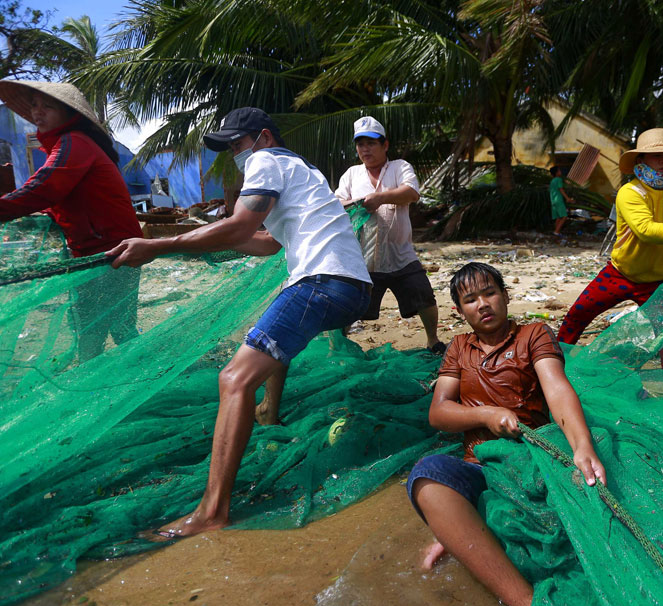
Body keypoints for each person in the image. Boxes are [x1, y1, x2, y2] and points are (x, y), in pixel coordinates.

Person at [107, 107, 372, 537]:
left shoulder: (267, 161)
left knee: (232, 379)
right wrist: (205, 245)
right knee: (275, 340)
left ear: (263, 137)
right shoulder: (304, 171)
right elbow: (267, 242)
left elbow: (240, 224)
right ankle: (268, 413)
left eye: (236, 145)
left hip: (321, 282)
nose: (234, 154)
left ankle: (212, 512)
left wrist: (162, 246)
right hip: (351, 288)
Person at [407, 262, 606, 606]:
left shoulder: (533, 335)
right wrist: (486, 414)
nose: (482, 304)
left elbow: (557, 390)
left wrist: (582, 446)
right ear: (459, 310)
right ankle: (525, 605)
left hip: (531, 464)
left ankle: (461, 533)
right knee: (427, 477)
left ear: (505, 296)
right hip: (479, 466)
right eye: (470, 299)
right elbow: (439, 412)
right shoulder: (458, 348)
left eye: (490, 293)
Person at [556, 128, 663, 394]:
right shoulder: (629, 192)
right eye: (656, 156)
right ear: (640, 160)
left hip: (660, 281)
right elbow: (646, 230)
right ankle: (553, 368)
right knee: (577, 316)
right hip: (620, 274)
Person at [0, 81, 143, 361]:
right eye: (34, 106)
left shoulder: (73, 142)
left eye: (47, 106)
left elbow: (44, 187)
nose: (38, 113)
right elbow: (68, 197)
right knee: (113, 325)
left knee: (94, 328)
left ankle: (95, 389)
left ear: (69, 115)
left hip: (109, 251)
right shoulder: (68, 144)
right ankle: (134, 379)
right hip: (101, 250)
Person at [334, 115, 444, 354]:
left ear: (385, 145)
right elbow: (337, 203)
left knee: (423, 295)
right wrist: (357, 202)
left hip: (400, 253)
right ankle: (338, 349)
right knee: (348, 304)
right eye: (360, 144)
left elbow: (411, 193)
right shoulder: (352, 174)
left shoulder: (399, 167)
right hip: (364, 259)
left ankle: (433, 340)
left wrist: (380, 197)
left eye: (371, 143)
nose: (365, 149)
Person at [549, 166, 569, 235]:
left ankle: (557, 231)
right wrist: (567, 198)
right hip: (558, 200)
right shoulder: (559, 179)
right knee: (564, 216)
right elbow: (561, 190)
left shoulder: (552, 181)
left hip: (553, 200)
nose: (561, 172)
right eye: (559, 171)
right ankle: (556, 231)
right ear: (557, 173)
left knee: (558, 217)